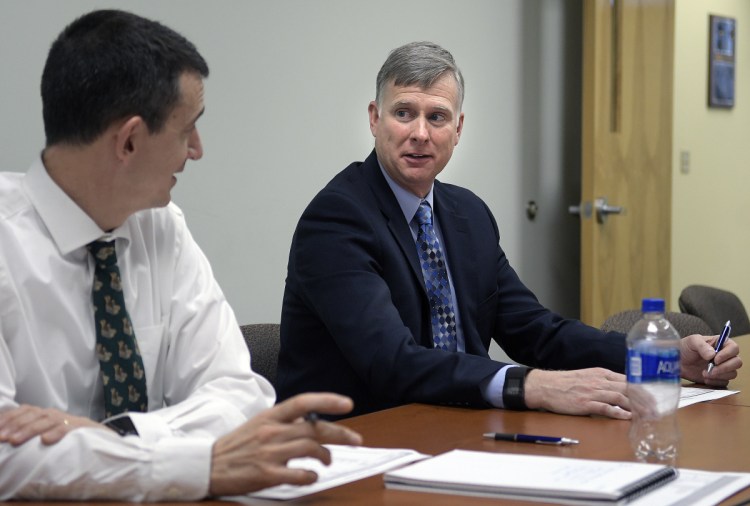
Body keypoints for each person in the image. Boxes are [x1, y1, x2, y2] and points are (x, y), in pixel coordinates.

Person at [0, 9, 360, 501]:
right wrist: (189, 462)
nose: (197, 149)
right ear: (128, 140)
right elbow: (6, 459)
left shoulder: (161, 227)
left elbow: (241, 396)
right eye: (187, 128)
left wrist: (111, 436)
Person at [277, 41, 742, 419]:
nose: (420, 132)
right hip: (364, 441)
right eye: (404, 113)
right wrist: (531, 384)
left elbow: (537, 332)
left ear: (457, 130)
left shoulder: (467, 214)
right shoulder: (337, 218)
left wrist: (663, 360)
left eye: (436, 117)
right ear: (375, 119)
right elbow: (391, 362)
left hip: (459, 422)